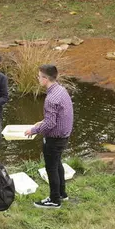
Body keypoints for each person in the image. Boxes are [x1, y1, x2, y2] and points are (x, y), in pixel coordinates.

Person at [26, 64, 74, 209]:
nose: (38, 78)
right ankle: (62, 193)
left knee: (51, 168)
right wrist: (43, 122)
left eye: (39, 76)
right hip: (64, 136)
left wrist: (34, 130)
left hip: (54, 139)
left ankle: (54, 200)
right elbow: (58, 116)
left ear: (45, 79)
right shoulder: (61, 90)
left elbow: (50, 123)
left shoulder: (51, 98)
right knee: (57, 164)